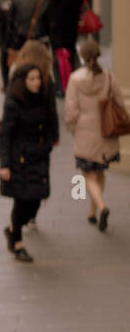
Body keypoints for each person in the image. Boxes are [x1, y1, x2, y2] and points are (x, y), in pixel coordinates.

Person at [0, 63, 59, 262]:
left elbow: (50, 120)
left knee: (36, 200)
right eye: (32, 79)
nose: (36, 83)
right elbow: (5, 135)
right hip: (20, 159)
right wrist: (5, 165)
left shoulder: (42, 98)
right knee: (22, 199)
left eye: (38, 78)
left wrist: (49, 142)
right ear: (23, 81)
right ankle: (17, 243)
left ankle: (12, 228)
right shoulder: (14, 101)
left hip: (39, 156)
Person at [65, 39, 123, 232]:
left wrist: (71, 126)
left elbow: (71, 111)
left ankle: (101, 207)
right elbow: (120, 102)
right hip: (105, 131)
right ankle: (92, 212)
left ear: (82, 56)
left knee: (88, 175)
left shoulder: (75, 79)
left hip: (84, 131)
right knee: (100, 172)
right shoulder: (108, 76)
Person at [40, 0, 84, 99]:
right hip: (71, 22)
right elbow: (80, 0)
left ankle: (60, 85)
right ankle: (72, 83)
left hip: (54, 24)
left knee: (58, 55)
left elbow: (43, 2)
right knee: (70, 52)